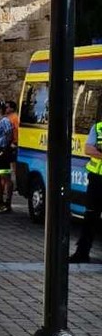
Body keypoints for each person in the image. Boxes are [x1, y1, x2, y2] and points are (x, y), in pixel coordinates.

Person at [71, 111, 102, 263]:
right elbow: (88, 149)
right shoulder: (97, 128)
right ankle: (82, 253)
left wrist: (99, 151)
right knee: (90, 216)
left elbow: (94, 150)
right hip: (96, 179)